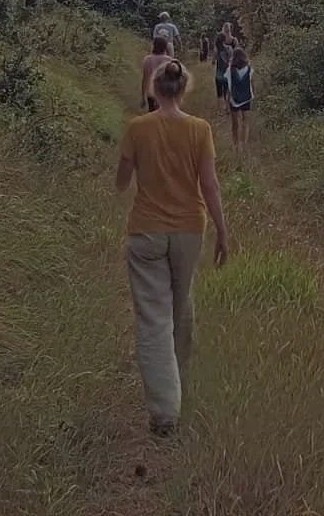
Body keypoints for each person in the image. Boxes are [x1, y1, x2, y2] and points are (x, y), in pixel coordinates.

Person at [116, 58, 230, 438]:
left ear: (153, 88)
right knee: (181, 306)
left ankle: (165, 410)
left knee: (154, 318)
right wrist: (223, 231)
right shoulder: (200, 129)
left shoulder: (138, 128)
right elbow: (209, 184)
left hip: (147, 230)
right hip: (189, 229)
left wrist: (128, 174)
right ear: (183, 90)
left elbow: (122, 180)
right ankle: (178, 383)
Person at [227, 46, 254, 152]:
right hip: (246, 97)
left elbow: (229, 86)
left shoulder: (230, 70)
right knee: (245, 121)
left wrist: (228, 99)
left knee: (235, 124)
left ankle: (236, 145)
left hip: (234, 99)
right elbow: (251, 83)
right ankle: (244, 144)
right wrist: (252, 95)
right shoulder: (249, 69)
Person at [140, 34, 172, 111]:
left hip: (151, 92)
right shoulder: (169, 60)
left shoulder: (147, 59)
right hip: (164, 92)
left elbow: (145, 79)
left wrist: (143, 96)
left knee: (152, 113)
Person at [213, 23, 234, 103]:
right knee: (226, 86)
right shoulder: (229, 48)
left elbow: (215, 57)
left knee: (218, 84)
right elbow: (231, 57)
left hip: (219, 69)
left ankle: (220, 101)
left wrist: (213, 60)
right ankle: (226, 101)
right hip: (227, 69)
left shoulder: (218, 49)